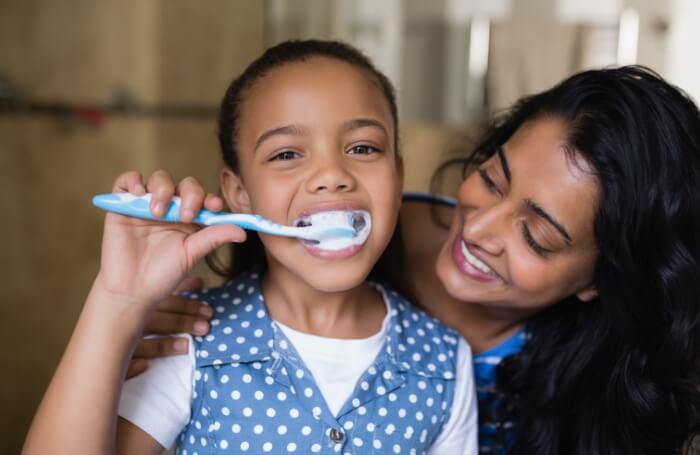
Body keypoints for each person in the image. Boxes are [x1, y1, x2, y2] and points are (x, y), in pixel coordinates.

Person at [123, 65, 700, 454]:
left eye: (538, 237)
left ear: (602, 281)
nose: (479, 228)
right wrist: (130, 320)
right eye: (492, 180)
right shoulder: (356, 228)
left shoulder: (597, 391)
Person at [22, 40, 478, 455]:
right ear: (239, 193)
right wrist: (117, 302)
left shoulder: (443, 362)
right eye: (286, 154)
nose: (331, 174)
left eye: (362, 147)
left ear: (398, 176)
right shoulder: (189, 342)